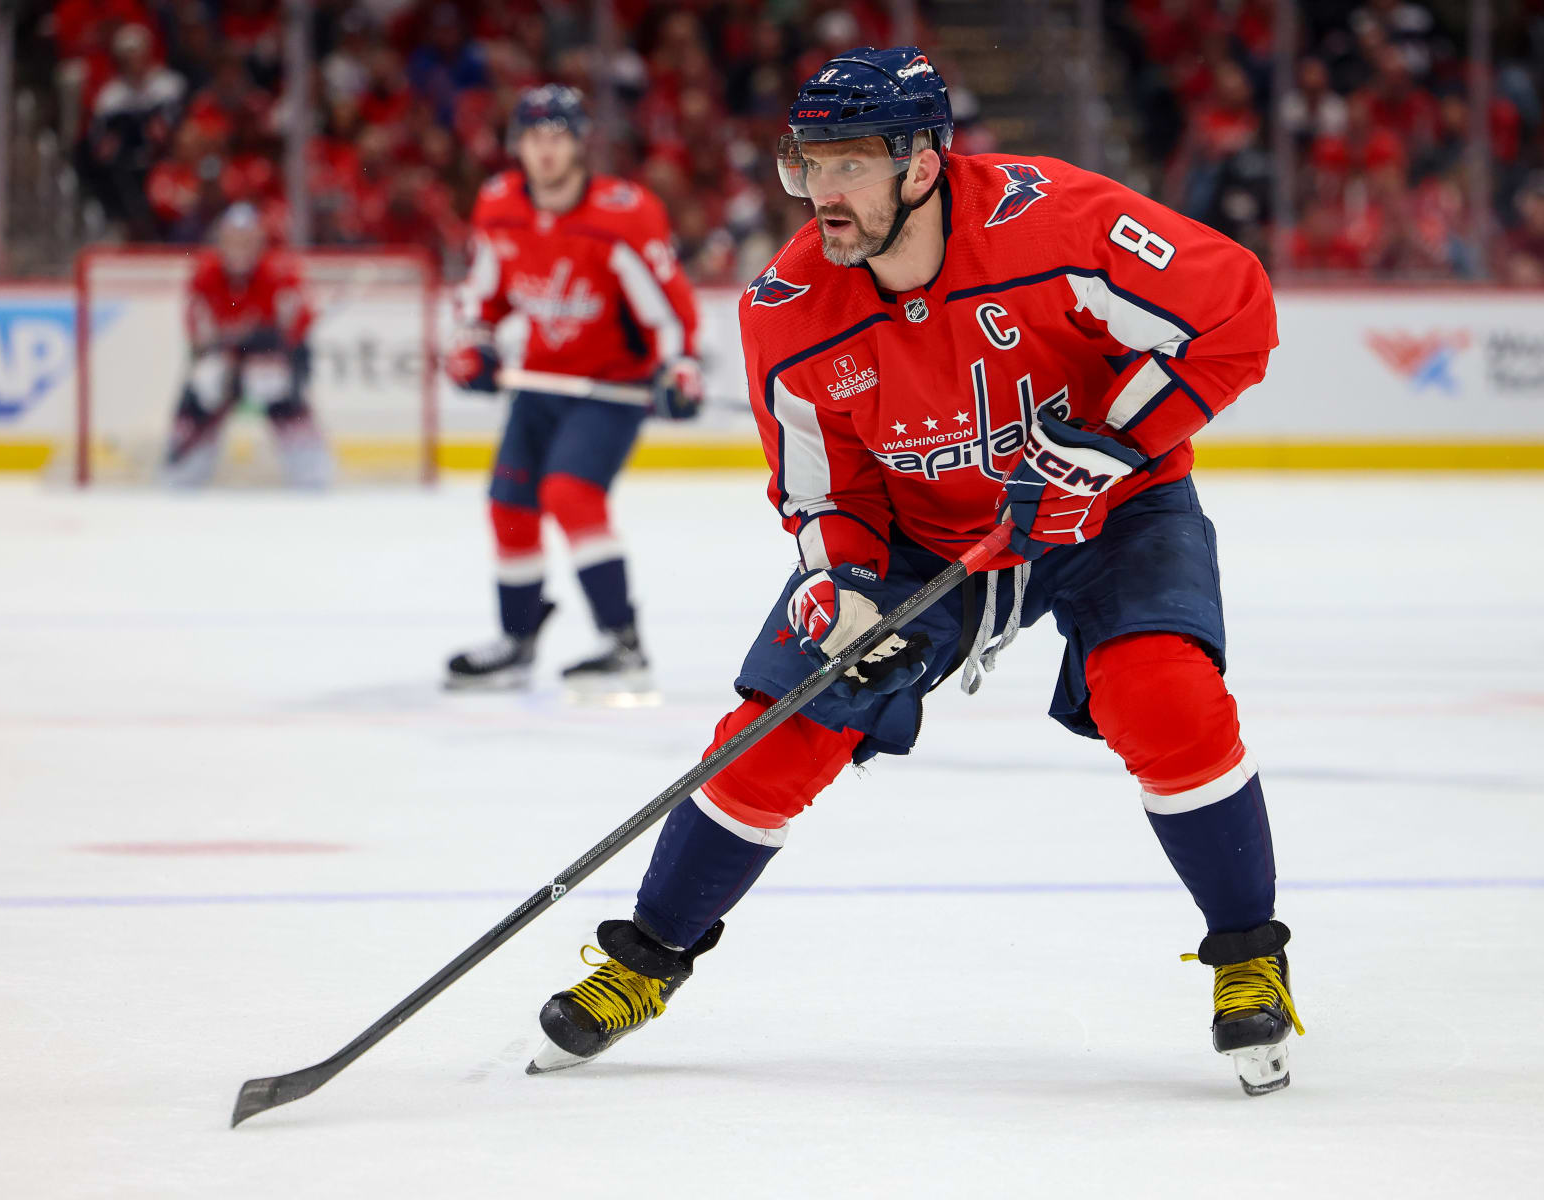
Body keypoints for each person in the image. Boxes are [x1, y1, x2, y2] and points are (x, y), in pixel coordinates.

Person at [528, 49, 1301, 1095]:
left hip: (1111, 509)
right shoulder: (786, 308)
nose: (822, 191)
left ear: (924, 164)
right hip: (923, 538)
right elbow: (822, 492)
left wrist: (1110, 446)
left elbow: (1236, 311)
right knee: (780, 726)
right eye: (810, 163)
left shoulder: (1055, 222)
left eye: (850, 164)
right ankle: (645, 959)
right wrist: (842, 589)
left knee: (1162, 693)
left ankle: (1249, 955)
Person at [444, 86, 703, 699]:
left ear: (580, 143)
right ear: (518, 145)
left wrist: (679, 365)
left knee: (569, 493)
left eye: (558, 137)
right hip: (540, 382)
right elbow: (482, 296)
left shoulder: (624, 214)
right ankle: (516, 640)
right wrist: (473, 343)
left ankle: (623, 643)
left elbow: (668, 309)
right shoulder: (498, 205)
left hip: (610, 387)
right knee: (509, 504)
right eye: (535, 137)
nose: (546, 150)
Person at [167, 203, 331, 488]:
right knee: (207, 381)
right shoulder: (205, 274)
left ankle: (310, 467)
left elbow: (297, 330)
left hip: (268, 359)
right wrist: (222, 345)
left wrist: (276, 348)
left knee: (271, 381)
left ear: (259, 242)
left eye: (246, 240)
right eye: (232, 239)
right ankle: (185, 467)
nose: (239, 248)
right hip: (223, 357)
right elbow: (196, 332)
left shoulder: (280, 273)